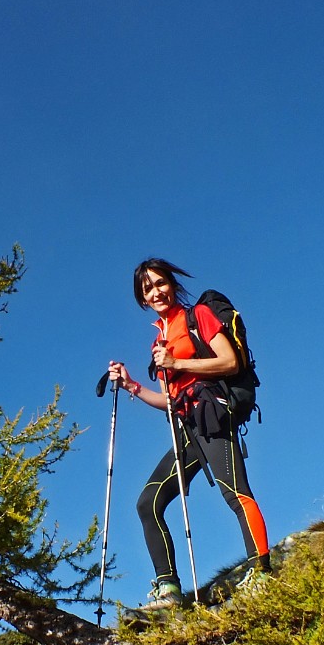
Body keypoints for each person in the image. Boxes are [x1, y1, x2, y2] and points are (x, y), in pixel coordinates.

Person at [108, 257, 271, 611]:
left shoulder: (198, 316)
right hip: (188, 426)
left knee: (236, 494)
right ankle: (168, 589)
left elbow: (230, 362)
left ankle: (262, 572)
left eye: (159, 283)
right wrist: (132, 385)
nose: (156, 291)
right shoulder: (161, 337)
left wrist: (177, 363)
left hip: (212, 415)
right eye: (147, 288)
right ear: (142, 299)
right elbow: (170, 401)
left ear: (172, 283)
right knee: (147, 503)